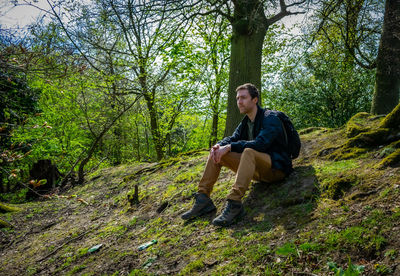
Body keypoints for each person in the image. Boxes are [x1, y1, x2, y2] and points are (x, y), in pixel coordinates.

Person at [181, 83, 293, 226]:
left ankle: (234, 203)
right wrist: (219, 145)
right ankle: (203, 199)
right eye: (237, 98)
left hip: (276, 169)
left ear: (255, 100)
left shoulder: (270, 118)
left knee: (248, 151)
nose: (239, 102)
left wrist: (229, 146)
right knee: (217, 151)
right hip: (257, 170)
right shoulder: (246, 122)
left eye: (244, 98)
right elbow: (233, 138)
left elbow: (260, 144)